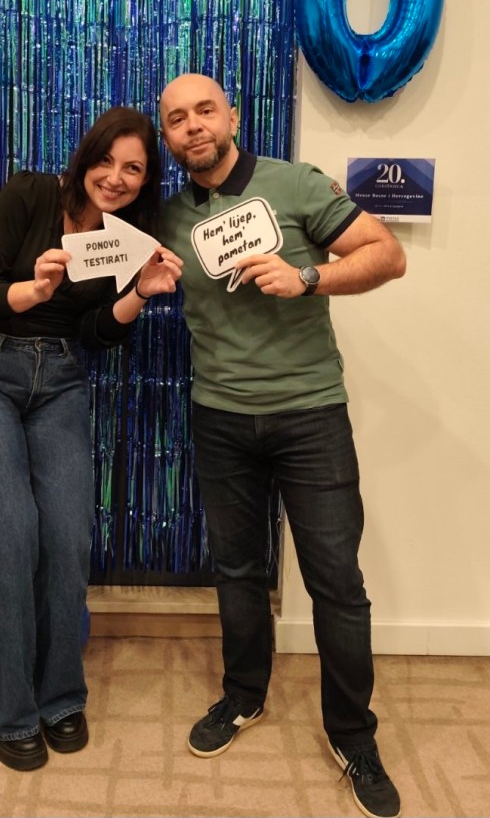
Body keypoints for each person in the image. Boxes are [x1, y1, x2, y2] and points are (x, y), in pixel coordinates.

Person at [158, 74, 406, 818]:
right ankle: (244, 695)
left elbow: (387, 254)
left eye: (205, 110)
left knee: (336, 582)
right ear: (167, 138)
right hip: (220, 418)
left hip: (310, 416)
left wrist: (309, 276)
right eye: (176, 118)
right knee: (237, 570)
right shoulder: (168, 215)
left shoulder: (295, 184)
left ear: (232, 116)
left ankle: (354, 735)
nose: (193, 126)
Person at [0, 106, 182, 772]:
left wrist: (142, 293)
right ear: (86, 157)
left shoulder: (126, 238)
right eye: (106, 160)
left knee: (69, 536)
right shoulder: (30, 194)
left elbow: (97, 333)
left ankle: (60, 696)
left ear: (145, 180)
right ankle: (10, 709)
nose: (116, 177)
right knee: (9, 533)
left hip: (61, 380)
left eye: (133, 168)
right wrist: (32, 289)